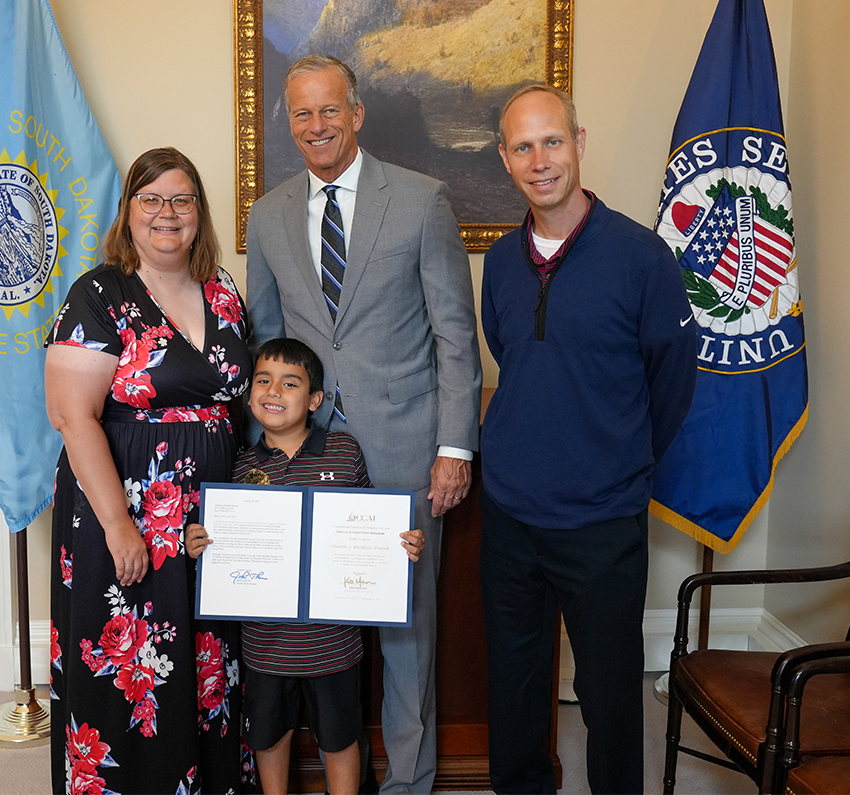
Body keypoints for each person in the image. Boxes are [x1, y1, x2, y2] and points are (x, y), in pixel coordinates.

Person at [245, 54, 482, 794]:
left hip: (405, 447)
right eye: (301, 114)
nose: (316, 126)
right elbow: (266, 338)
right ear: (291, 123)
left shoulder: (420, 199)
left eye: (328, 111)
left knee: (407, 634)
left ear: (356, 113)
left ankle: (408, 782)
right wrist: (261, 459)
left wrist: (453, 448)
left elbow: (454, 334)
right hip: (300, 457)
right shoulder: (269, 212)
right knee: (304, 626)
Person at [479, 85, 698, 794]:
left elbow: (671, 385)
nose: (539, 160)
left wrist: (614, 458)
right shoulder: (503, 261)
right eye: (522, 146)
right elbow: (512, 358)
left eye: (552, 141)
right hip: (510, 510)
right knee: (513, 687)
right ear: (504, 158)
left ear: (579, 142)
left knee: (607, 694)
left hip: (602, 519)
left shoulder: (642, 258)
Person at [44, 147, 252, 795]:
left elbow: (242, 402)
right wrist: (119, 528)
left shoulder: (223, 289)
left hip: (207, 523)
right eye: (151, 199)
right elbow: (73, 418)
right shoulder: (98, 294)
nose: (167, 213)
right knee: (131, 676)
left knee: (206, 670)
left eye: (181, 199)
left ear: (199, 212)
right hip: (125, 516)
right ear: (128, 212)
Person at [186, 337, 426, 795]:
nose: (273, 391)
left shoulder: (344, 451)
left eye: (290, 383)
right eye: (263, 380)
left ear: (315, 400)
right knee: (268, 735)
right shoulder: (238, 466)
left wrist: (401, 544)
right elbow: (222, 546)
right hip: (264, 645)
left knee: (339, 739)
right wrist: (202, 544)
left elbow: (371, 530)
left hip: (333, 644)